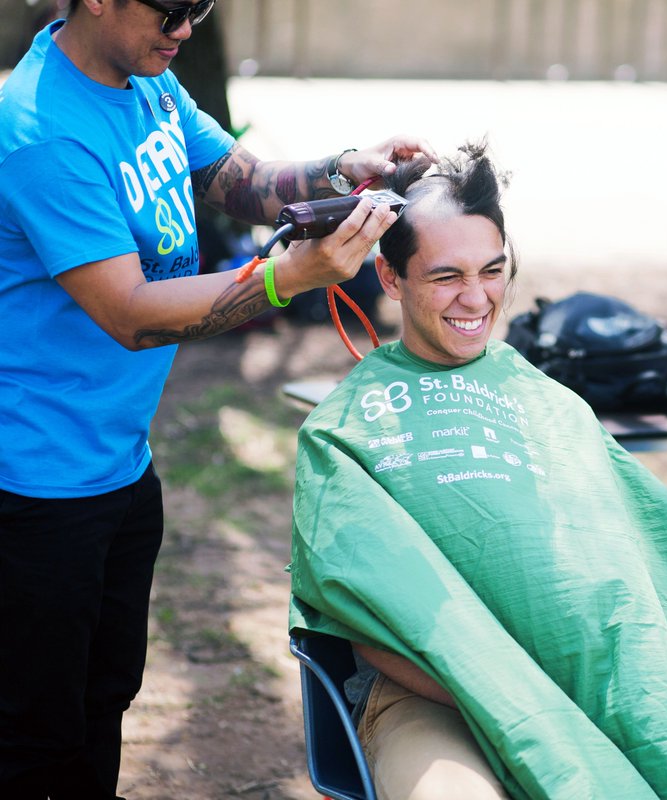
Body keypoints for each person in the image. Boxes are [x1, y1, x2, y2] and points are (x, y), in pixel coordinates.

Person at [0, 2, 435, 796]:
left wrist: (346, 169)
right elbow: (129, 314)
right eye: (171, 7)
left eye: (200, 6)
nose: (187, 28)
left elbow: (243, 185)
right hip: (34, 487)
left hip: (119, 464)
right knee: (35, 735)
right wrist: (285, 278)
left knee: (102, 702)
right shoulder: (42, 130)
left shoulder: (148, 82)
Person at [289, 144, 667, 800]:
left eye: (493, 270)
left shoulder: (549, 400)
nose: (475, 298)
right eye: (446, 276)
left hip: (589, 675)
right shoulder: (344, 432)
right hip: (431, 692)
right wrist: (509, 689)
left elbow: (634, 556)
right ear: (392, 279)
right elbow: (368, 622)